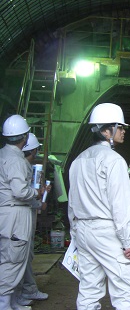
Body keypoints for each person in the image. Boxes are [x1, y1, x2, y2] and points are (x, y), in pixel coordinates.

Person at [68, 103, 130, 310]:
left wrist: (75, 232)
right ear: (105, 131)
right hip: (107, 231)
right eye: (120, 127)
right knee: (126, 285)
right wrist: (127, 242)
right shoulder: (114, 160)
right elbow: (120, 205)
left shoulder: (78, 161)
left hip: (83, 231)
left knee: (89, 287)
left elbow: (72, 203)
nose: (123, 131)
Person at [0, 115, 44, 310]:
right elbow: (20, 192)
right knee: (13, 259)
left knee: (11, 257)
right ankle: (4, 304)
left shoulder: (2, 155)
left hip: (6, 214)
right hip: (15, 215)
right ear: (24, 137)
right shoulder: (16, 160)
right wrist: (37, 192)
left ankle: (12, 300)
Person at [16, 134, 49, 307]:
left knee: (24, 256)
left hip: (22, 217)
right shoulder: (21, 166)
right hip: (19, 219)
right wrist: (39, 194)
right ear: (33, 150)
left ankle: (24, 291)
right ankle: (17, 295)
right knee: (18, 257)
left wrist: (41, 192)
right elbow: (22, 194)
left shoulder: (21, 166)